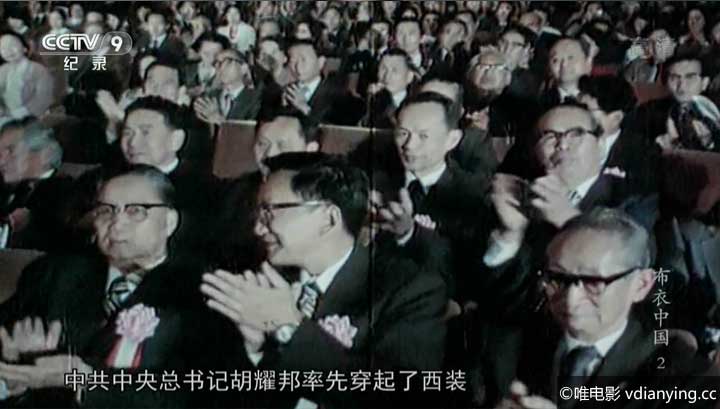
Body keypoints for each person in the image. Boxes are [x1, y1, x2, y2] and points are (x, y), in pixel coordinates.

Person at [201, 153, 447, 408]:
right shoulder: (259, 281)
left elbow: (403, 396)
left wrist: (291, 327)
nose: (258, 229)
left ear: (329, 219)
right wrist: (257, 350)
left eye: (270, 212)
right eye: (259, 213)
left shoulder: (410, 289)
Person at [0, 166, 219, 408]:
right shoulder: (53, 274)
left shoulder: (202, 291)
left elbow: (197, 389)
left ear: (169, 222)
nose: (117, 224)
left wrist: (88, 382)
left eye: (135, 211)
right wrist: (14, 357)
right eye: (106, 211)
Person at [502, 208, 720, 409]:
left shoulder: (681, 375)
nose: (571, 299)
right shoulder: (509, 343)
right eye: (558, 279)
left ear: (641, 285)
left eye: (593, 282)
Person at [0, 119, 72, 252]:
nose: (1, 160)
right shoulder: (11, 187)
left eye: (10, 150)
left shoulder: (62, 192)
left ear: (43, 154)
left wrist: (30, 220)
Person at [193, 49, 263, 124]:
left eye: (227, 62)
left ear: (244, 68)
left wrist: (217, 118)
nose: (220, 67)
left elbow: (249, 130)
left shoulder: (256, 98)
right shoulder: (209, 97)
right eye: (216, 63)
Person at [0, 32, 54, 127]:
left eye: (12, 45)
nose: (8, 51)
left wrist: (16, 114)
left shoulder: (38, 70)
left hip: (33, 118)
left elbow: (42, 99)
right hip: (6, 118)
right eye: (3, 48)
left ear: (24, 47)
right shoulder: (2, 70)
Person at [361, 48, 416, 128]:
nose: (387, 76)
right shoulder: (372, 100)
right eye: (383, 69)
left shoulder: (415, 104)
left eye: (394, 70)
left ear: (409, 77)